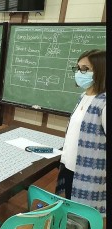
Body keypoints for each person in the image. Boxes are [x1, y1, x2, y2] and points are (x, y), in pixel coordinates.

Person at [55, 49, 106, 216]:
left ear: (101, 71)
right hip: (70, 166)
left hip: (90, 173)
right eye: (77, 68)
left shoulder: (104, 103)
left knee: (85, 218)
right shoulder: (83, 96)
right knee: (71, 213)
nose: (79, 73)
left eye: (85, 69)